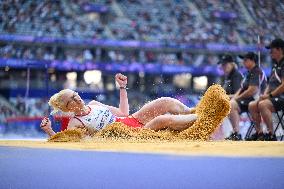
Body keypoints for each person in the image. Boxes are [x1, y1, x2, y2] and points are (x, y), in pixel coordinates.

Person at [40, 73, 197, 137]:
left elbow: (123, 112)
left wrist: (122, 87)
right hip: (129, 135)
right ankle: (200, 118)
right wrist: (50, 131)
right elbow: (68, 143)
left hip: (132, 120)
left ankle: (192, 111)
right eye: (71, 100)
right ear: (68, 108)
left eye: (75, 94)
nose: (77, 98)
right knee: (162, 120)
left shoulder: (94, 104)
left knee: (164, 101)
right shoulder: (75, 122)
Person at [248, 38, 284, 141]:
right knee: (252, 105)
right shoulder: (275, 65)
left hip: (281, 97)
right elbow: (270, 84)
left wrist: (269, 96)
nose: (270, 52)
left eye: (272, 49)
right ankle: (260, 133)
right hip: (272, 97)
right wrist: (264, 95)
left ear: (280, 49)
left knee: (263, 104)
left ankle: (271, 134)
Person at [226, 52, 266, 141]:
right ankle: (236, 133)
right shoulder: (249, 73)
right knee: (230, 103)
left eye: (246, 60)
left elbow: (252, 90)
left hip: (256, 99)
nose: (243, 62)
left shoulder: (257, 72)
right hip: (248, 100)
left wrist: (237, 98)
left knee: (232, 104)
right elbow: (241, 89)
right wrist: (234, 98)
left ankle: (258, 132)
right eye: (243, 60)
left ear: (252, 61)